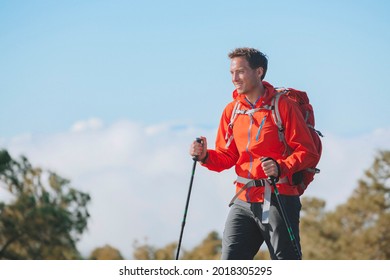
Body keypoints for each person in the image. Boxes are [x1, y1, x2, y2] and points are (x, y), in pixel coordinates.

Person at [189, 47, 320, 260]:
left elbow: (308, 152)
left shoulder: (283, 106)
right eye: (231, 73)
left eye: (240, 72)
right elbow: (227, 156)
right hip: (244, 199)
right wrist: (205, 156)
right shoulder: (231, 111)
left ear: (259, 72)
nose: (234, 78)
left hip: (280, 198)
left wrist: (280, 167)